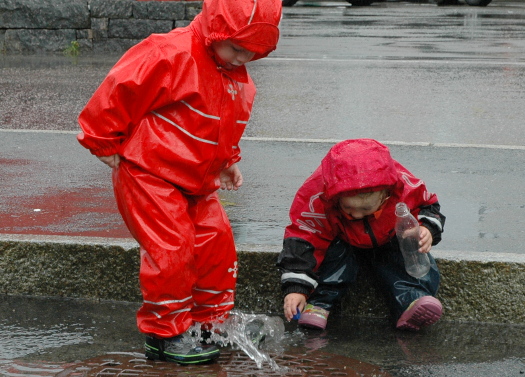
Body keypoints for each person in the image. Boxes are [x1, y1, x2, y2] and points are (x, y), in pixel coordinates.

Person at [77, 0, 282, 365]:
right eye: (236, 48)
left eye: (253, 53)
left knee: (217, 246)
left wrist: (227, 161)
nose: (242, 59)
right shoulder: (170, 52)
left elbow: (224, 120)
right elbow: (121, 86)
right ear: (218, 29)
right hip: (149, 172)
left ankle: (209, 325)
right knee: (172, 249)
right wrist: (100, 138)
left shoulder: (232, 71)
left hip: (197, 178)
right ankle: (165, 332)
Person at [277, 139, 446, 332]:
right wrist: (297, 288)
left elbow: (428, 205)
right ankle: (319, 303)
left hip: (388, 237)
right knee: (333, 258)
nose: (356, 215)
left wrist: (427, 229)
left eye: (366, 208)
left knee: (408, 253)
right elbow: (304, 238)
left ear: (386, 195)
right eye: (348, 208)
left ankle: (411, 300)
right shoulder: (317, 198)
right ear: (334, 197)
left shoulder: (404, 188)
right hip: (343, 240)